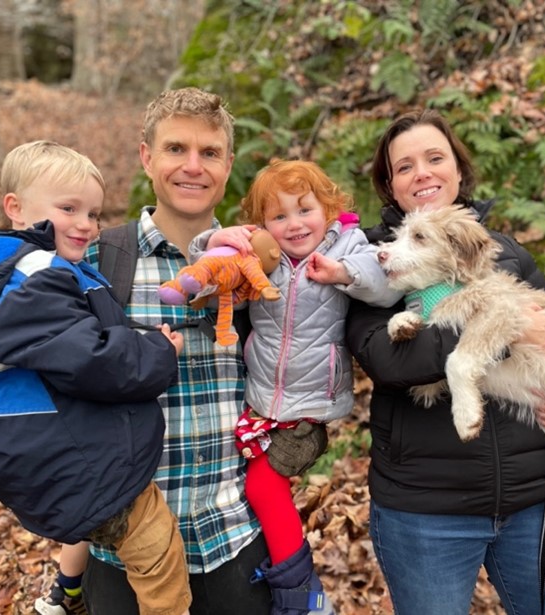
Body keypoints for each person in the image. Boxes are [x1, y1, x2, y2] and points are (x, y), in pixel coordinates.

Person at [0, 140, 191, 615]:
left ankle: (64, 594)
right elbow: (90, 359)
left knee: (116, 531)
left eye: (94, 214)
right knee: (158, 551)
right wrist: (158, 352)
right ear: (15, 208)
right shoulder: (37, 275)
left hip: (20, 447)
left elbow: (74, 339)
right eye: (69, 209)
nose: (86, 225)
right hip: (62, 451)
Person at [81, 89, 327, 615]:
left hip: (236, 541)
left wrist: (306, 426)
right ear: (146, 156)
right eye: (176, 149)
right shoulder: (100, 261)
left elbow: (315, 343)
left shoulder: (266, 262)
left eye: (210, 153)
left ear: (228, 164)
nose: (193, 167)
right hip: (127, 550)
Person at [344, 109, 545, 614]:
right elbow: (390, 363)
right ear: (390, 186)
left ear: (458, 171)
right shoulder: (370, 260)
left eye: (435, 158)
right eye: (405, 166)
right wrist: (505, 332)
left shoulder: (506, 254)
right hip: (427, 513)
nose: (423, 173)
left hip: (535, 501)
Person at [192, 159, 400, 613]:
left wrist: (342, 273)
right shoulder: (261, 254)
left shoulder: (348, 244)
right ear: (262, 223)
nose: (294, 224)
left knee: (262, 487)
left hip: (310, 407)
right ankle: (271, 574)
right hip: (260, 401)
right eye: (279, 216)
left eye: (304, 210)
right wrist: (212, 240)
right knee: (247, 488)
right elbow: (207, 269)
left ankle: (301, 594)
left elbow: (385, 283)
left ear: (327, 208)